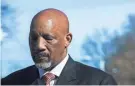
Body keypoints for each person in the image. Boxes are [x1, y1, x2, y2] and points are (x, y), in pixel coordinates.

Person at [1, 8, 117, 85]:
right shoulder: (10, 82)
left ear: (67, 40)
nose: (39, 45)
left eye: (48, 38)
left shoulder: (100, 82)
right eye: (34, 38)